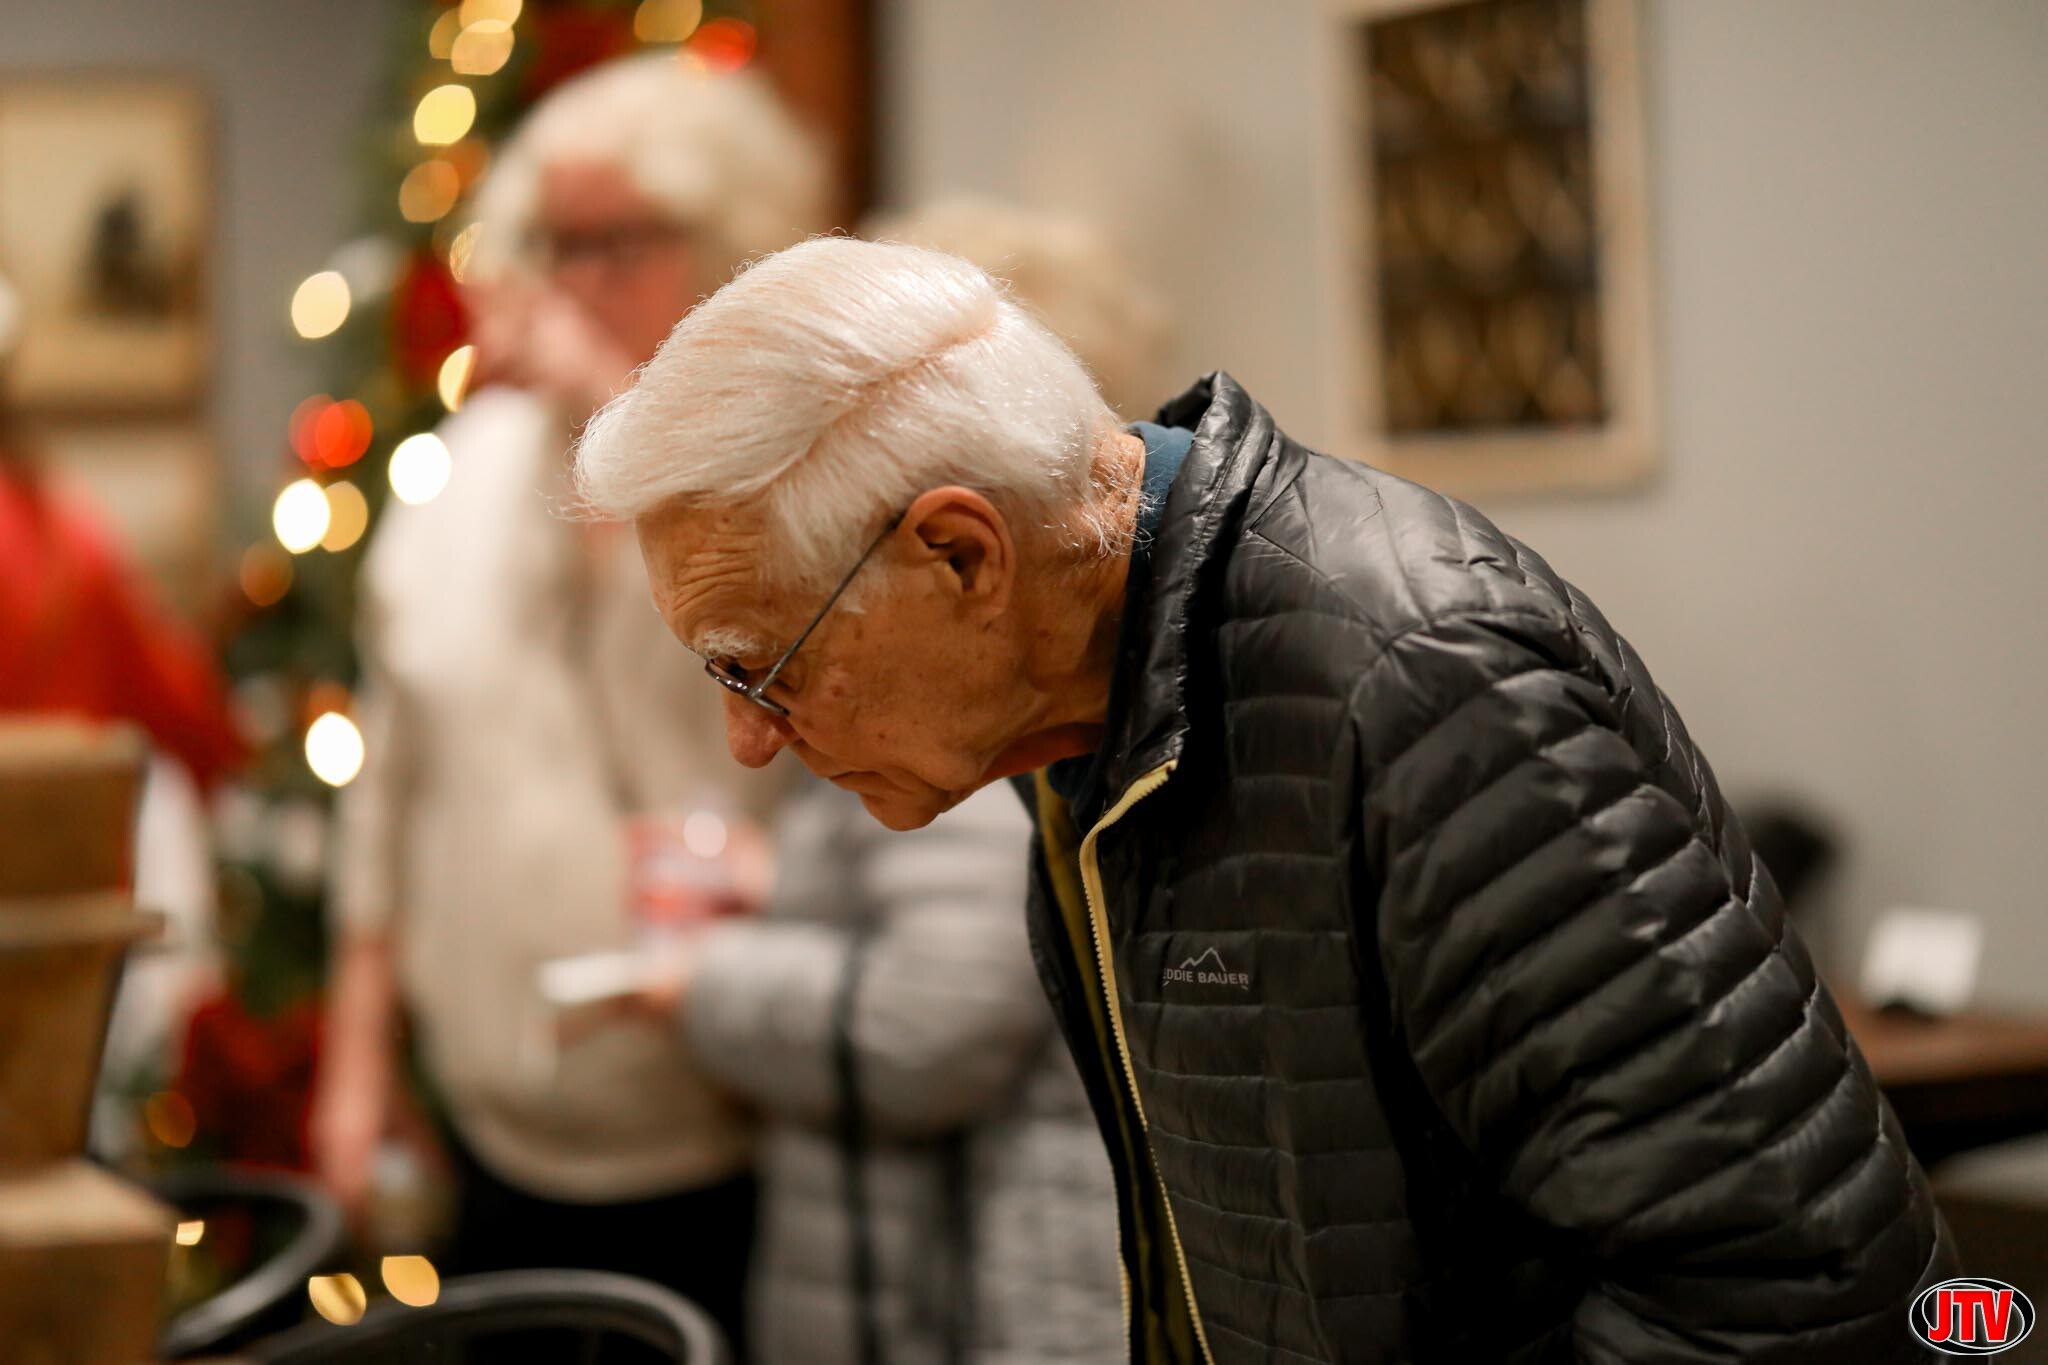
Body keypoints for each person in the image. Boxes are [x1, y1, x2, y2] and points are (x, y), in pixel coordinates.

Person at [570, 237, 1958, 1363]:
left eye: (758, 665)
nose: (748, 742)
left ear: (961, 556)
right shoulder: (1081, 713)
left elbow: (1801, 1292)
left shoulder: (1418, 685)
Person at [316, 57, 824, 1347]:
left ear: (722, 250)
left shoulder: (777, 485)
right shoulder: (454, 481)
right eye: (556, 243)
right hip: (492, 1126)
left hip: (718, 1134)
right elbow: (389, 786)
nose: (576, 280)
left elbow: (740, 714)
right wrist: (356, 1063)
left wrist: (622, 421)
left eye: (621, 244)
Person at [607, 198, 1159, 1365]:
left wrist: (701, 983)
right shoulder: (935, 667)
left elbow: (940, 1014)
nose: (749, 735)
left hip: (975, 1302)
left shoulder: (979, 697)